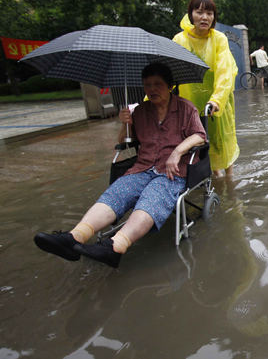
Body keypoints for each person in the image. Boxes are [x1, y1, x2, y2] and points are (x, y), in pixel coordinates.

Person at [33, 63, 207, 268]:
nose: (152, 89)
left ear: (169, 86)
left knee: (153, 197)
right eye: (147, 85)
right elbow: (125, 142)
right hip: (142, 167)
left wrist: (177, 152)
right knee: (117, 192)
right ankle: (74, 237)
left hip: (172, 172)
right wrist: (125, 123)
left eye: (157, 84)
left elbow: (199, 136)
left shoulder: (186, 108)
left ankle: (116, 246)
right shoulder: (140, 111)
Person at [173, 0, 239, 178]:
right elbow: (170, 73)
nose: (204, 17)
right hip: (190, 100)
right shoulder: (180, 40)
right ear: (191, 14)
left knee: (223, 138)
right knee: (198, 139)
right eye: (199, 12)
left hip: (219, 99)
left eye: (209, 13)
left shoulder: (219, 39)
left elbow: (224, 70)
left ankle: (229, 181)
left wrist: (217, 99)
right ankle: (215, 174)